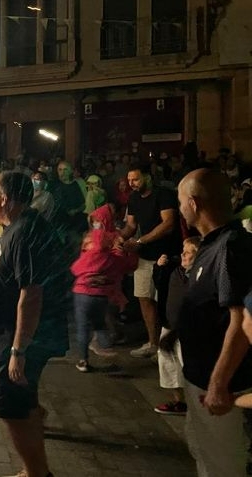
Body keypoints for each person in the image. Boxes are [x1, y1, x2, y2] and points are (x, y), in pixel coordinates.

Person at [0, 171, 68, 477]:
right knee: (24, 400)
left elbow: (31, 294)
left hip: (23, 340)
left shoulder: (25, 232)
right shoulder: (17, 228)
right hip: (17, 336)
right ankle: (34, 425)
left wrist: (19, 350)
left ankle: (37, 472)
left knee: (7, 405)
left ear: (4, 199)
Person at [176, 168, 252, 477]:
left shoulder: (230, 247)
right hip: (202, 379)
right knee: (204, 453)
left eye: (181, 201)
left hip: (220, 388)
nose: (180, 208)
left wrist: (219, 382)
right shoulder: (212, 242)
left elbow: (240, 321)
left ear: (193, 203)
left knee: (224, 465)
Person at [120, 165, 180, 359]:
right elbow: (131, 224)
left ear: (146, 177)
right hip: (145, 257)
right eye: (129, 180)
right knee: (144, 298)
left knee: (166, 301)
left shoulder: (164, 195)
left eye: (135, 179)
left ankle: (169, 346)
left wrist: (140, 241)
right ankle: (153, 343)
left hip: (167, 256)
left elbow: (168, 224)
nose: (131, 184)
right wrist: (119, 238)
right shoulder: (134, 198)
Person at [69, 204, 137, 373]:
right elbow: (125, 265)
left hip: (83, 291)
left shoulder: (90, 240)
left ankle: (83, 360)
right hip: (102, 294)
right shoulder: (115, 242)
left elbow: (77, 266)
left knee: (83, 326)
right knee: (100, 324)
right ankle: (107, 352)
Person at [153, 236, 200, 416]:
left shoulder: (200, 276)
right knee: (169, 365)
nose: (183, 254)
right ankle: (178, 401)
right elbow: (160, 285)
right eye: (183, 250)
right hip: (170, 324)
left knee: (188, 365)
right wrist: (159, 268)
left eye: (188, 252)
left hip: (188, 330)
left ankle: (197, 405)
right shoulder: (176, 271)